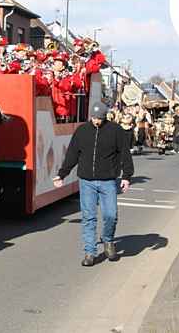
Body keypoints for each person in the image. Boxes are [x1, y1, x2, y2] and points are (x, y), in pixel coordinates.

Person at [53, 101, 134, 267]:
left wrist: (126, 176)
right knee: (89, 217)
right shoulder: (82, 131)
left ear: (105, 117)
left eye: (100, 118)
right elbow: (72, 154)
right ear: (90, 116)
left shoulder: (115, 131)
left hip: (108, 181)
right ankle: (90, 252)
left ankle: (108, 240)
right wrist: (62, 174)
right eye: (95, 118)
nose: (97, 121)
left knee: (111, 215)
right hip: (86, 181)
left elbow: (125, 154)